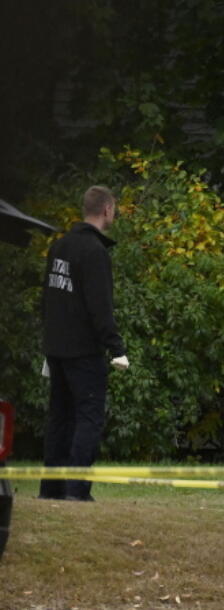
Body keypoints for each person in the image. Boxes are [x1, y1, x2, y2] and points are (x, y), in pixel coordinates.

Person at [39, 185, 129, 502]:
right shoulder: (94, 253)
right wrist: (117, 348)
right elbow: (100, 308)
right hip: (83, 351)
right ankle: (76, 490)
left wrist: (49, 341)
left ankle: (50, 489)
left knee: (59, 418)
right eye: (114, 209)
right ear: (106, 210)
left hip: (56, 348)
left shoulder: (60, 247)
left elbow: (46, 300)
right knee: (88, 418)